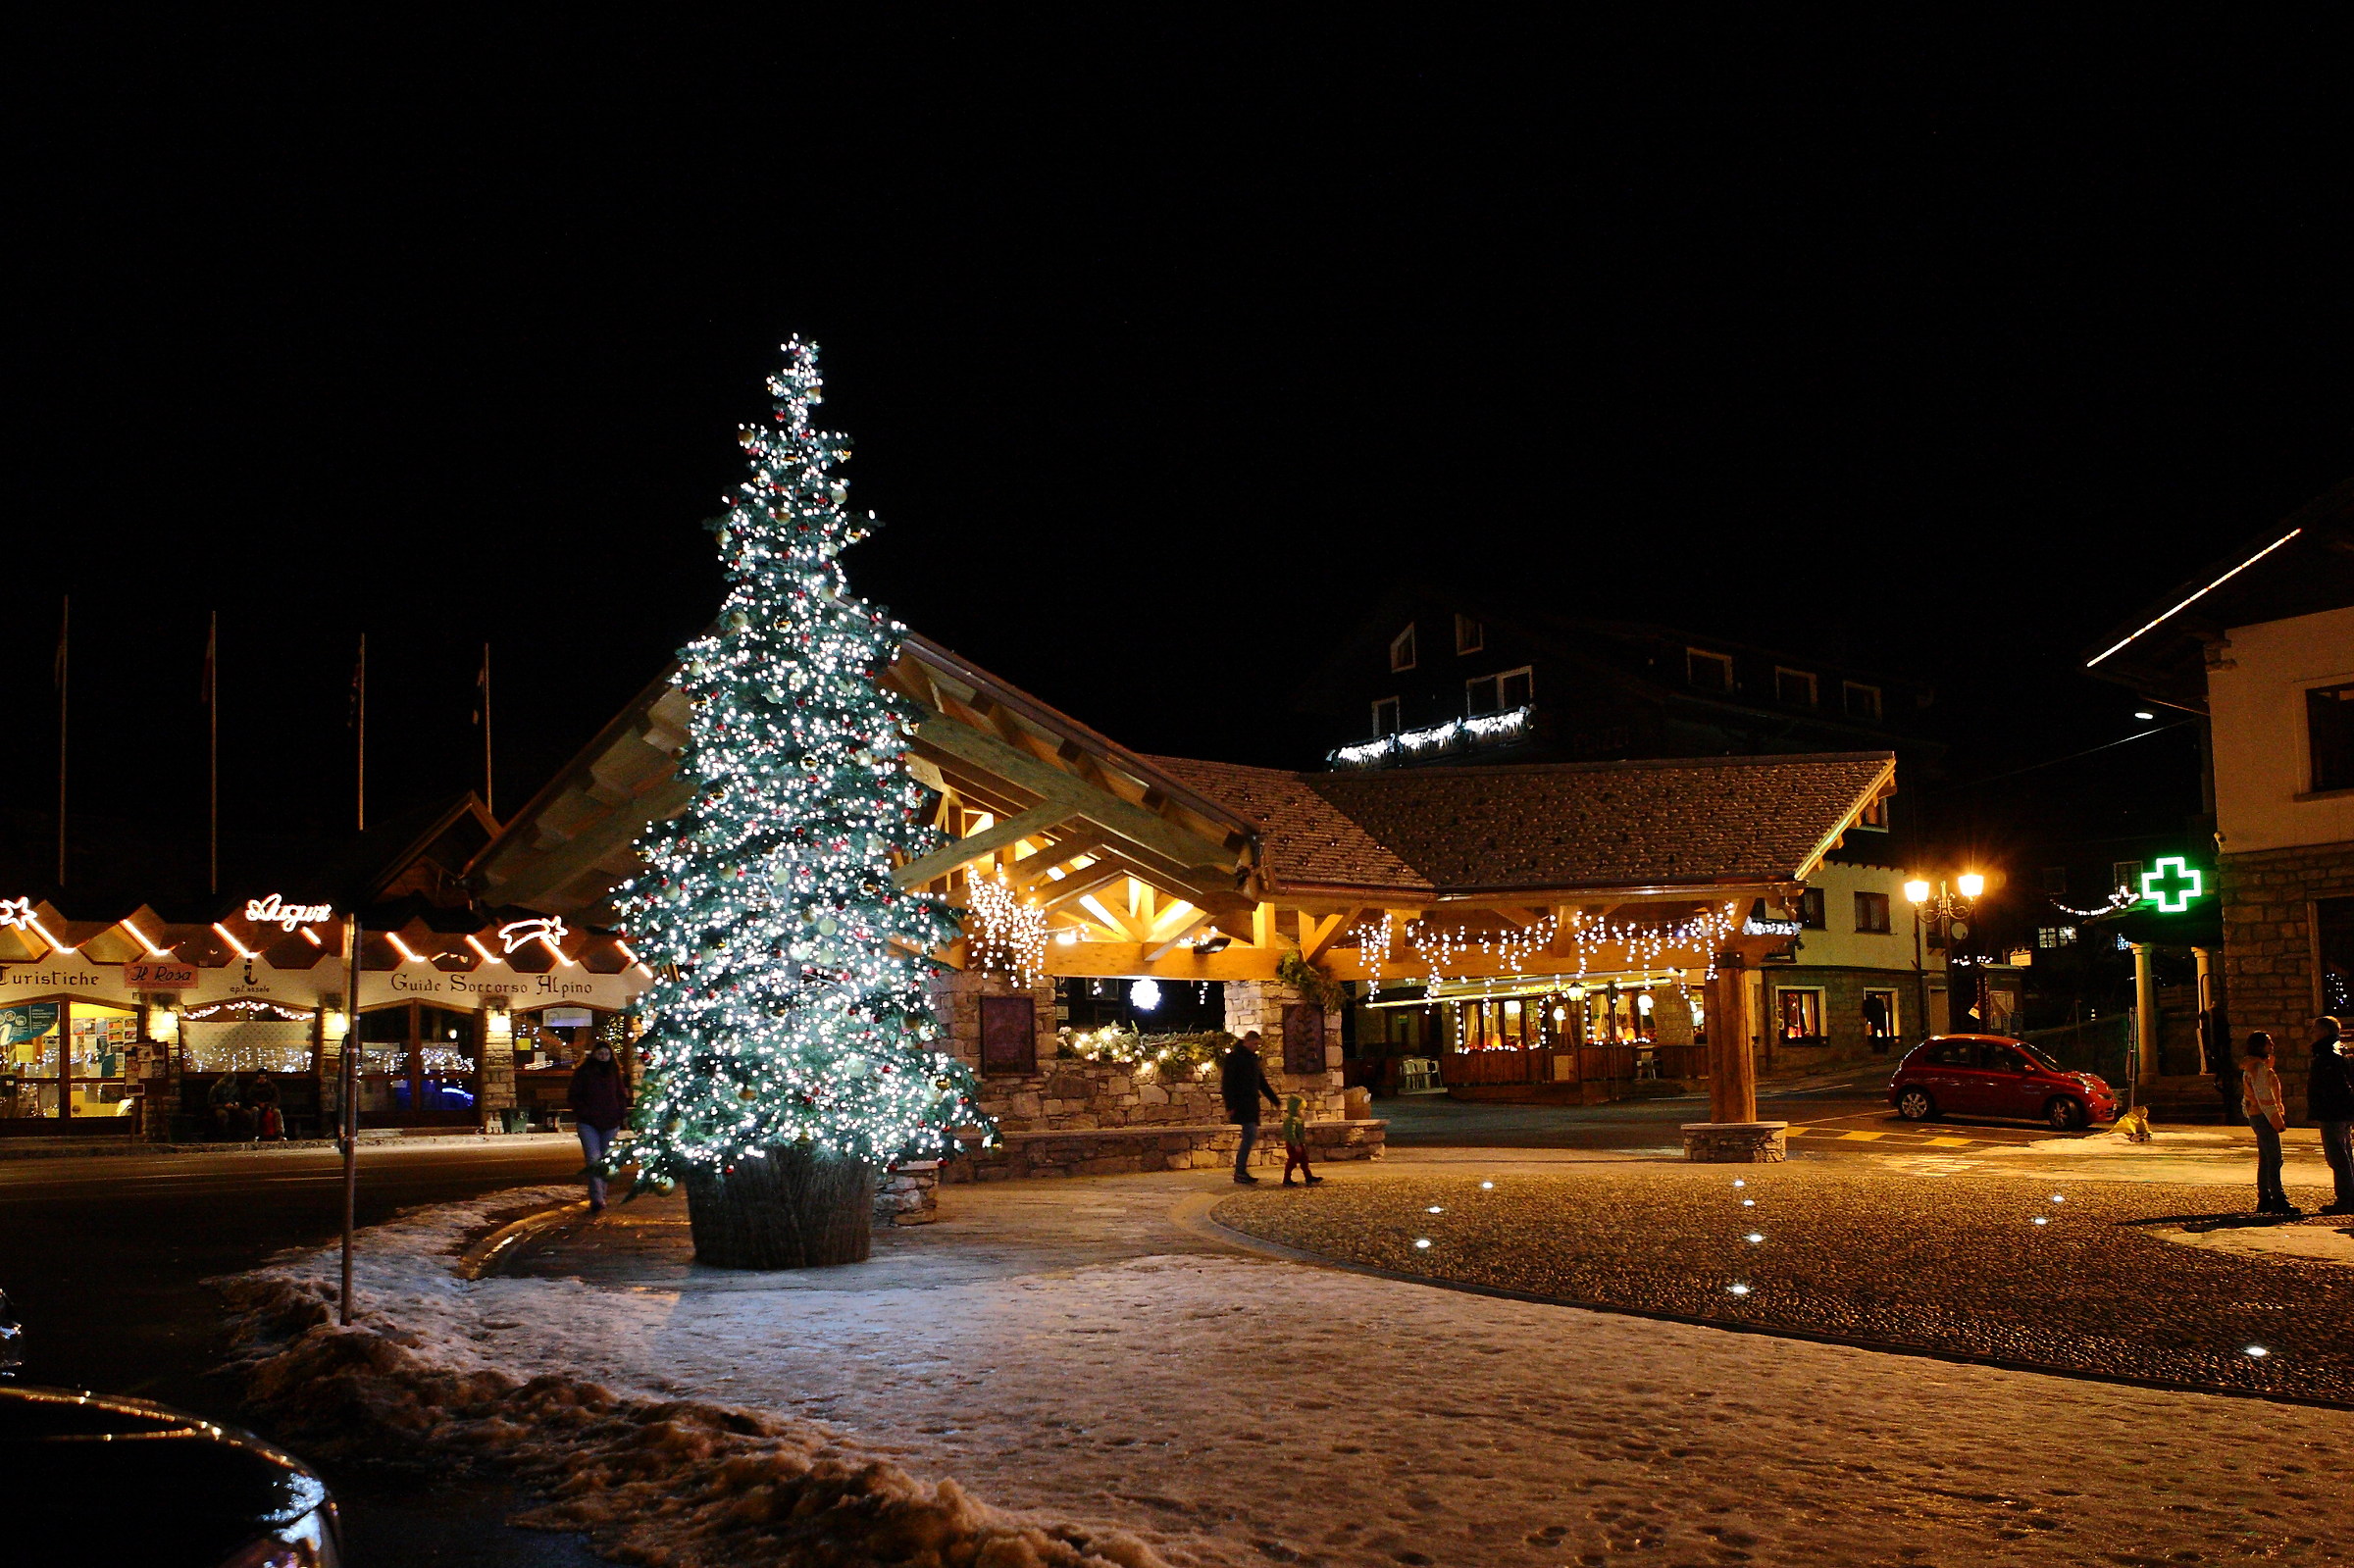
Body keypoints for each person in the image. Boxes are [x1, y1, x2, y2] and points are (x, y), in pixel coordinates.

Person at [567, 1039, 632, 1213]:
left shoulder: (614, 1073)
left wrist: (620, 1113)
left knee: (605, 1160)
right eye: (600, 1053)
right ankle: (596, 1198)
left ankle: (602, 1194)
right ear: (594, 1054)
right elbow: (574, 1095)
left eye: (606, 1054)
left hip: (610, 1123)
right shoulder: (584, 1072)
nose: (603, 1056)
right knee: (593, 1159)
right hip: (588, 1123)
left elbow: (620, 1095)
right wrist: (584, 1112)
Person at [2240, 1033, 2296, 1217]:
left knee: (2266, 1158)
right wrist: (2277, 1120)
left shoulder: (2253, 1067)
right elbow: (2265, 1098)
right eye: (2268, 1042)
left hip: (2257, 1115)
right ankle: (2277, 1198)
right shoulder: (2259, 1068)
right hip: (2264, 1117)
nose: (2272, 1045)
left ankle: (2265, 1197)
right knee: (2274, 1158)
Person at [1220, 1031, 1281, 1185]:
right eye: (1255, 1044)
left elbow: (1261, 1082)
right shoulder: (1234, 1058)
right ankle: (1240, 1172)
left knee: (1250, 1135)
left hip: (1251, 1104)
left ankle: (1241, 1171)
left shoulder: (1252, 1060)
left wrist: (1274, 1100)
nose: (1256, 1047)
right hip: (1242, 1104)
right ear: (1247, 1042)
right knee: (1250, 1135)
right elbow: (1227, 1083)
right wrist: (1230, 1105)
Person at [2310, 1016, 2354, 1217]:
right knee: (2344, 1154)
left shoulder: (2328, 1055)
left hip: (2332, 1112)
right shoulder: (2340, 1051)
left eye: (2315, 1029)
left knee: (2337, 1156)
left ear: (2324, 1032)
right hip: (2340, 1111)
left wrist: (2327, 1103)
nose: (2311, 1033)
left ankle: (2345, 1198)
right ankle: (2348, 1196)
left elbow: (2335, 1085)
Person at [1279, 1094, 1323, 1188]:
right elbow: (1291, 1133)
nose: (1303, 1111)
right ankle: (1287, 1179)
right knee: (1292, 1161)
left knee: (1304, 1161)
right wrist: (1295, 1144)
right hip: (1293, 1144)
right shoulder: (1291, 1120)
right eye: (1301, 1109)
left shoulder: (1297, 1119)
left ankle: (1308, 1176)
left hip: (1298, 1143)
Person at [246, 1069, 284, 1141]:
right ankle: (255, 1134)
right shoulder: (253, 1087)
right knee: (254, 1111)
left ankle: (279, 1133)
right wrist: (258, 1103)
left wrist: (270, 1105)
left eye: (263, 1077)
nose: (262, 1079)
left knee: (277, 1112)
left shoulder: (272, 1087)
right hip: (257, 1106)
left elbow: (276, 1098)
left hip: (269, 1106)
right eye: (260, 1077)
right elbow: (250, 1098)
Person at [207, 1070, 245, 1140]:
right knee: (223, 1115)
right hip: (219, 1107)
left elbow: (239, 1099)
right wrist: (224, 1106)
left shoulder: (235, 1088)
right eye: (229, 1083)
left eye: (232, 1083)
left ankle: (239, 1136)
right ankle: (224, 1136)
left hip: (232, 1106)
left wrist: (237, 1104)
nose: (230, 1085)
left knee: (243, 1114)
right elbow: (211, 1104)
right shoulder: (216, 1088)